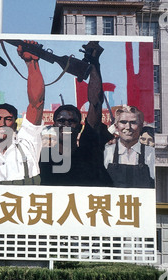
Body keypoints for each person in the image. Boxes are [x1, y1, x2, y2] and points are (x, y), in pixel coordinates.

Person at [40, 41, 114, 187]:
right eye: (61, 121)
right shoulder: (44, 157)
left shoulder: (88, 150)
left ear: (80, 127)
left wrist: (93, 65)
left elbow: (95, 103)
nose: (66, 124)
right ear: (54, 126)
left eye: (71, 121)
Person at [0, 41, 45, 185]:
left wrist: (32, 63)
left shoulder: (27, 144)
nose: (2, 123)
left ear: (14, 124)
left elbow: (36, 103)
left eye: (8, 119)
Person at [104, 105, 155, 188]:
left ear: (140, 126)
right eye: (123, 122)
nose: (128, 127)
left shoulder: (151, 153)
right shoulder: (106, 153)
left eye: (133, 122)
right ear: (116, 127)